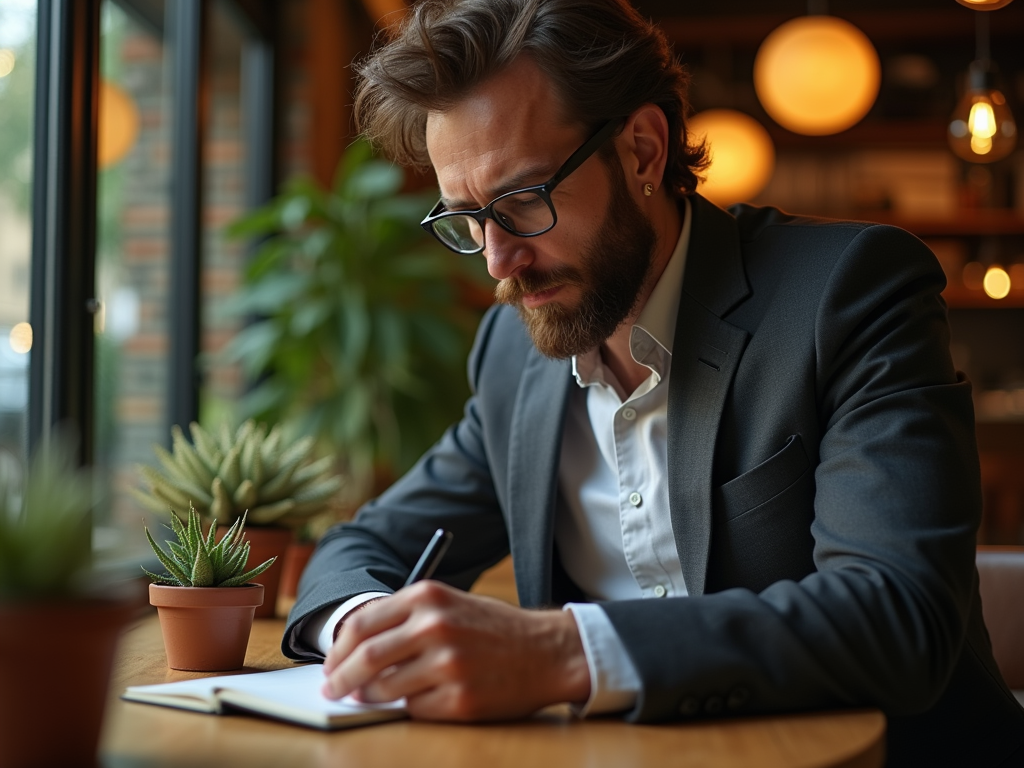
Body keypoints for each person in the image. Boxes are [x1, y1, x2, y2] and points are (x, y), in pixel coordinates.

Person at [282, 1, 1024, 765]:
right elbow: (364, 545)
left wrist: (560, 653)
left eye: (523, 202)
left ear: (640, 150)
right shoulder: (513, 355)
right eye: (469, 218)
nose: (498, 260)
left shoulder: (849, 294)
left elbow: (899, 619)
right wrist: (369, 631)